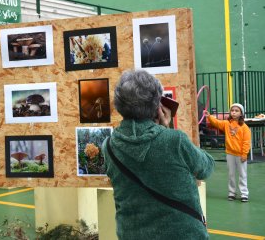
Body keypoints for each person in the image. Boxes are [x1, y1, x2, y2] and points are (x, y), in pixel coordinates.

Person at [102, 70, 215, 239]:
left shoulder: (109, 146)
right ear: (157, 106)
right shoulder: (175, 140)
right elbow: (206, 167)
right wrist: (168, 128)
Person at [203, 103, 251, 202]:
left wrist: (244, 154)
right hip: (230, 154)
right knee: (231, 174)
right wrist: (209, 116)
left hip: (240, 155)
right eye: (232, 110)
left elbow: (246, 142)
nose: (233, 112)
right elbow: (216, 123)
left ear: (241, 113)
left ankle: (244, 194)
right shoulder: (226, 123)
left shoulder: (245, 127)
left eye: (236, 111)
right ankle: (231, 193)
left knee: (243, 174)